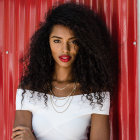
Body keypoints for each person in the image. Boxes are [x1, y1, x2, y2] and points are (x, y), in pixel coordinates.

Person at [11, 1, 118, 140]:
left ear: (84, 45)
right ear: (46, 43)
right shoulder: (29, 89)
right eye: (57, 41)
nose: (65, 49)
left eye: (73, 41)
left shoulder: (96, 92)